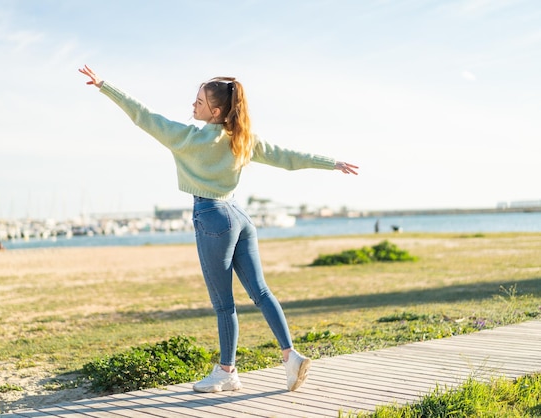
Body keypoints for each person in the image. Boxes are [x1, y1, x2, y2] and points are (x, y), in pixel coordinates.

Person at [78, 65, 359, 393]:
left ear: (215, 110)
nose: (192, 106)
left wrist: (104, 86)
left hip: (212, 216)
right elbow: (288, 158)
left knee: (224, 303)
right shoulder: (242, 139)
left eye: (198, 102)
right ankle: (291, 356)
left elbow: (143, 115)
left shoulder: (189, 138)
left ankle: (227, 371)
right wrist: (330, 163)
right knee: (262, 292)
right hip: (239, 214)